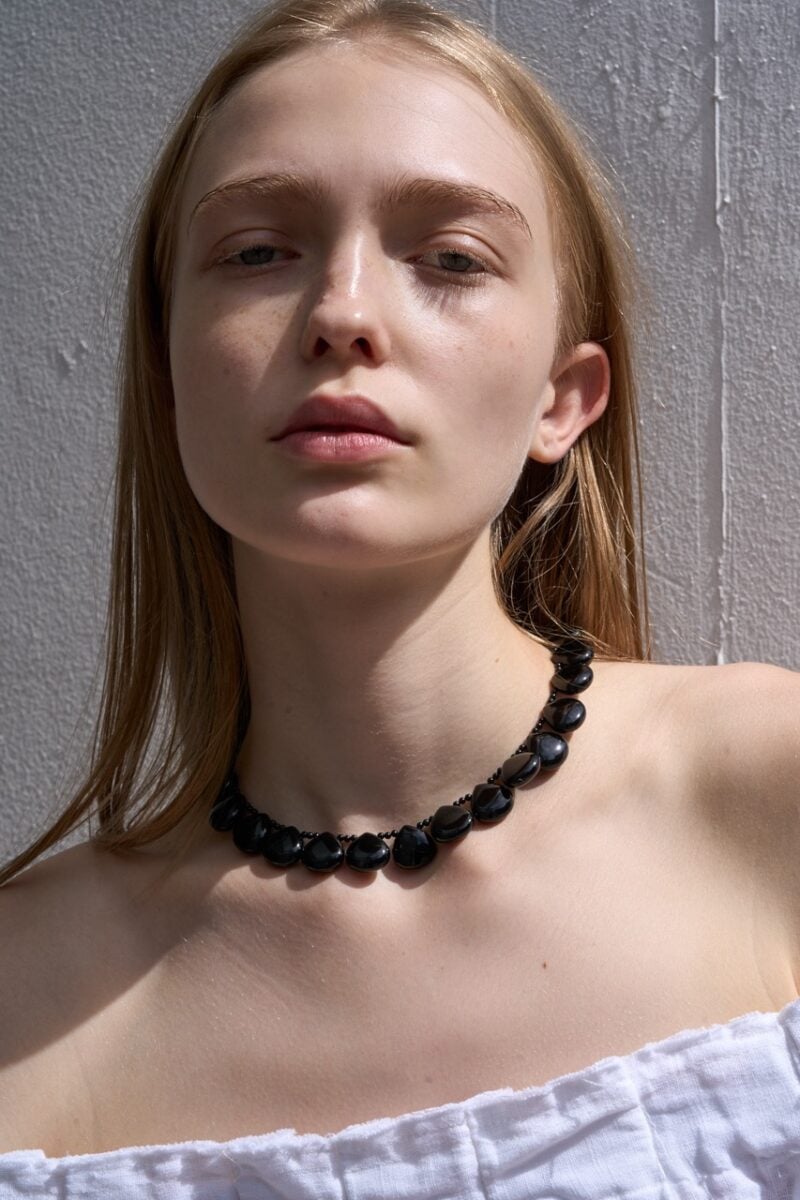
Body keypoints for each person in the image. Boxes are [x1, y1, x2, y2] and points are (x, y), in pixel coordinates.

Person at [1, 0, 798, 1192]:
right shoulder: (24, 993)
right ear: (167, 375)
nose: (342, 315)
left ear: (561, 399)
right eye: (257, 252)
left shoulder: (768, 801)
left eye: (450, 259)